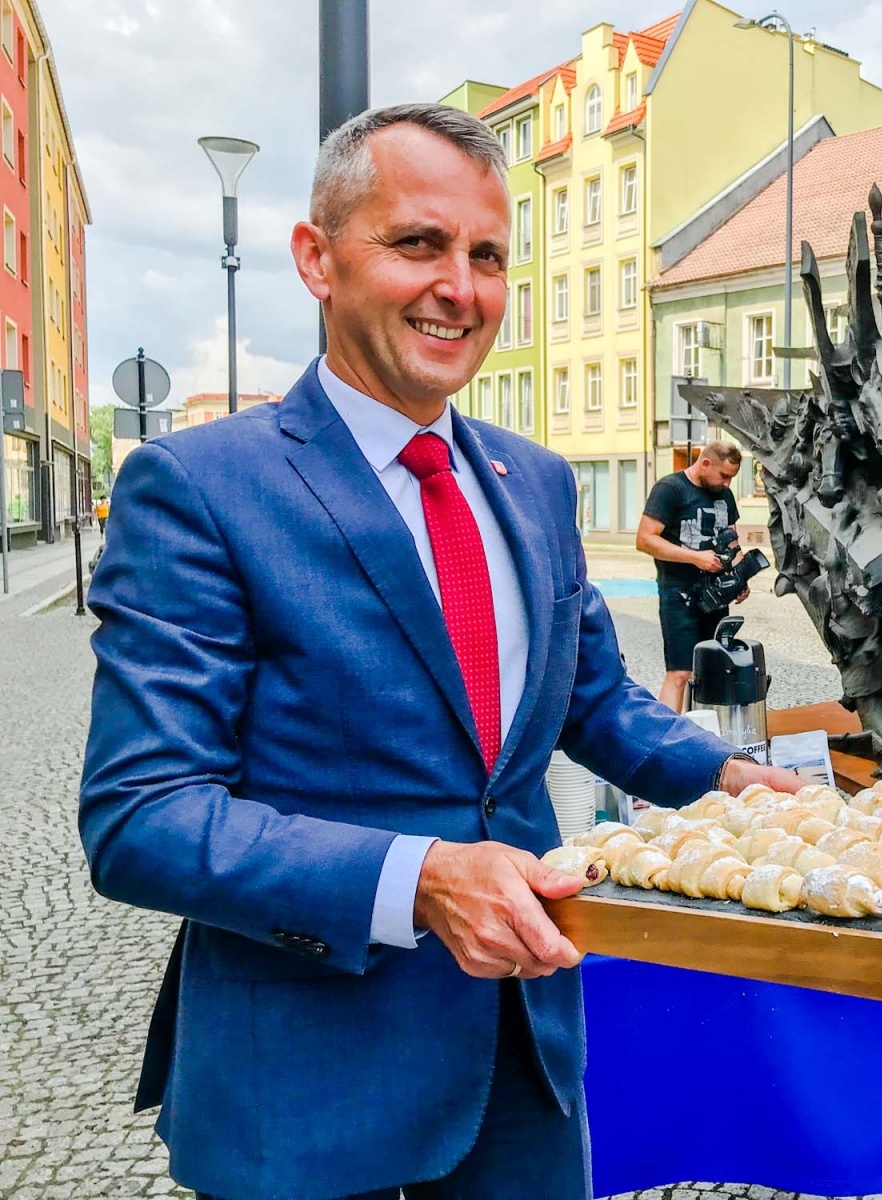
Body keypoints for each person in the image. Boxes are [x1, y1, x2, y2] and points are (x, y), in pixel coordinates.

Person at [79, 103, 799, 1200]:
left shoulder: (535, 480)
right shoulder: (201, 488)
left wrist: (736, 777)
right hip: (309, 1090)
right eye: (417, 243)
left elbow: (593, 702)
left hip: (522, 1059)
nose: (459, 287)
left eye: (487, 255)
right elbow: (142, 817)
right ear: (317, 259)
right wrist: (417, 882)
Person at [635, 442, 747, 712]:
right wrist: (696, 557)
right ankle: (667, 741)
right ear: (705, 463)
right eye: (724, 476)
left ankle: (703, 739)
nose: (727, 483)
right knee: (680, 673)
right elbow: (644, 539)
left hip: (716, 594)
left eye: (732, 477)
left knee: (712, 670)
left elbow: (732, 541)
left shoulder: (725, 496)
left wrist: (741, 578)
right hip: (679, 594)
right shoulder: (670, 490)